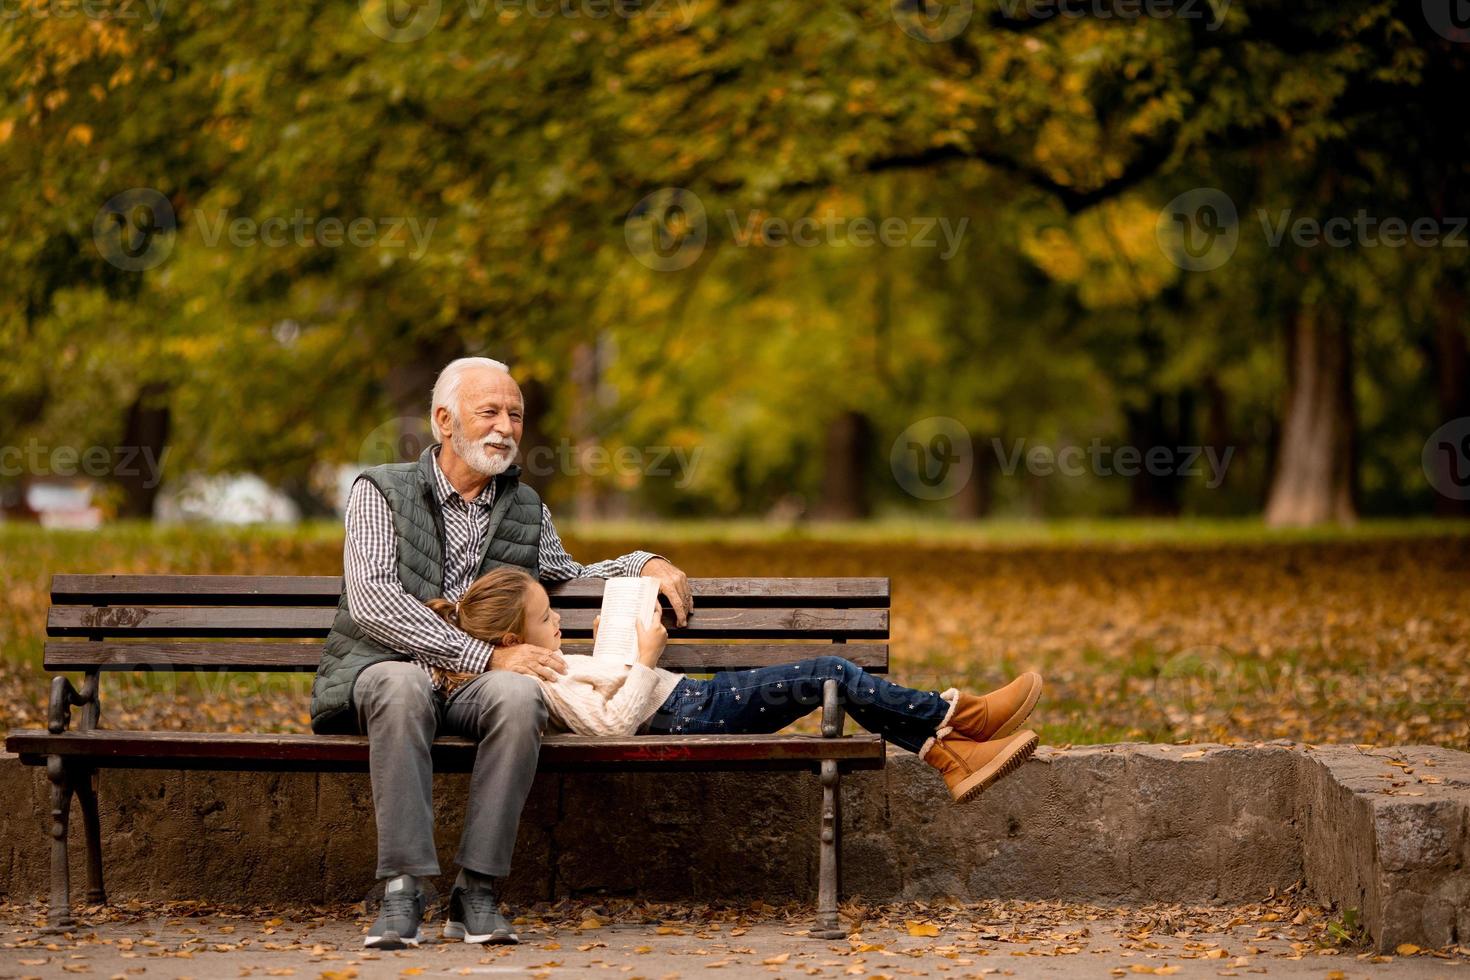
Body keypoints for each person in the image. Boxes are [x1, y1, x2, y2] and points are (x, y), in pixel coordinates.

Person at [309, 357, 694, 950]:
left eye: (515, 415)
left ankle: (479, 891)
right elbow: (371, 599)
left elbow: (569, 573)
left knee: (520, 694)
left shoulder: (524, 507)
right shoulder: (378, 490)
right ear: (444, 420)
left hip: (475, 685)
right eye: (489, 412)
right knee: (403, 686)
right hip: (384, 671)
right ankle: (402, 890)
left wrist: (645, 561)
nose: (506, 427)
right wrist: (483, 654)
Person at [428, 567, 1044, 807]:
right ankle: (957, 717)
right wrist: (643, 657)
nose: (557, 622)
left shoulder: (542, 667)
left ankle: (950, 750)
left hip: (692, 701)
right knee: (829, 672)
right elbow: (612, 723)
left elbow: (608, 693)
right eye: (546, 620)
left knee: (829, 676)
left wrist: (611, 651)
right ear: (510, 642)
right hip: (689, 713)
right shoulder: (538, 683)